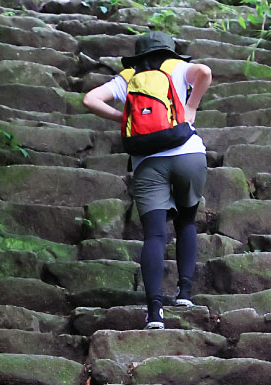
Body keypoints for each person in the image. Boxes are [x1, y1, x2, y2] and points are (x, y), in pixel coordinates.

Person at [82, 31, 212, 330]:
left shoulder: (128, 77)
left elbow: (90, 99)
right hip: (188, 154)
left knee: (154, 235)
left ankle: (154, 313)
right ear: (170, 52)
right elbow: (204, 72)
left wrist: (123, 117)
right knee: (187, 222)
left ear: (139, 56)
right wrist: (190, 107)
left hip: (148, 161)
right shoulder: (178, 69)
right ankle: (185, 293)